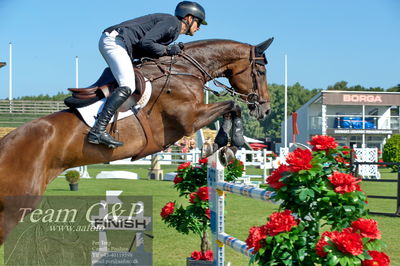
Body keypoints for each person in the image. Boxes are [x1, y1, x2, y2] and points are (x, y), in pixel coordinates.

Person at [87, 1, 207, 148]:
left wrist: (167, 50)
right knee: (128, 85)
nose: (199, 27)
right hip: (116, 42)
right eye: (198, 22)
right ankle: (98, 130)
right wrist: (168, 50)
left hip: (121, 43)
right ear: (188, 18)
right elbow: (146, 43)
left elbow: (146, 47)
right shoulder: (172, 22)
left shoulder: (172, 29)